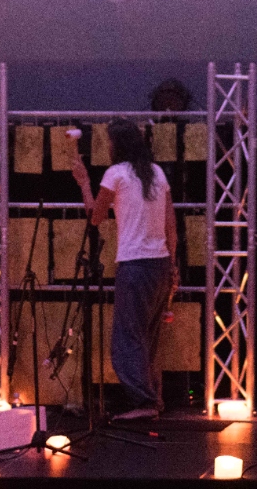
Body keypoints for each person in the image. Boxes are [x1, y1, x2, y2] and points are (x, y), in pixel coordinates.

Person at [71, 119, 178, 421]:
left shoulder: (115, 174)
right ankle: (153, 398)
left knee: (128, 338)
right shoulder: (156, 173)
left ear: (118, 144)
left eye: (109, 141)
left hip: (134, 265)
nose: (107, 146)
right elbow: (171, 223)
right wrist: (173, 264)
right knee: (148, 336)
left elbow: (95, 216)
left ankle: (144, 403)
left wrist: (82, 181)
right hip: (159, 263)